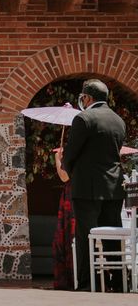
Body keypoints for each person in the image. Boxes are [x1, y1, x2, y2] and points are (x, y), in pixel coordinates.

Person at [62, 79, 125, 292]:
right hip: (114, 187)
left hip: (87, 188)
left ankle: (89, 283)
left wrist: (70, 170)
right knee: (111, 238)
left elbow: (71, 153)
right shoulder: (118, 120)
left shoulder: (83, 118)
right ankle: (117, 281)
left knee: (85, 236)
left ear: (87, 97)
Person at [52, 146, 75, 290]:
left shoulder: (74, 155)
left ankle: (70, 277)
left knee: (69, 235)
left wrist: (57, 160)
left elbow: (64, 176)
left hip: (72, 196)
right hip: (78, 194)